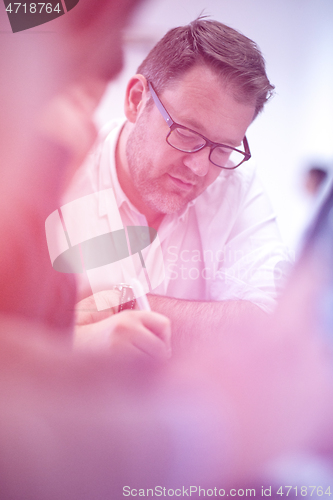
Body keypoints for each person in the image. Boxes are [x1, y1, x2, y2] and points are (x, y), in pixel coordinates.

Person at [64, 18, 290, 350]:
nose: (199, 167)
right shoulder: (61, 175)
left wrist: (123, 303)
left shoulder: (236, 187)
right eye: (186, 134)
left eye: (223, 148)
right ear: (136, 99)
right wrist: (70, 339)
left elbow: (271, 327)